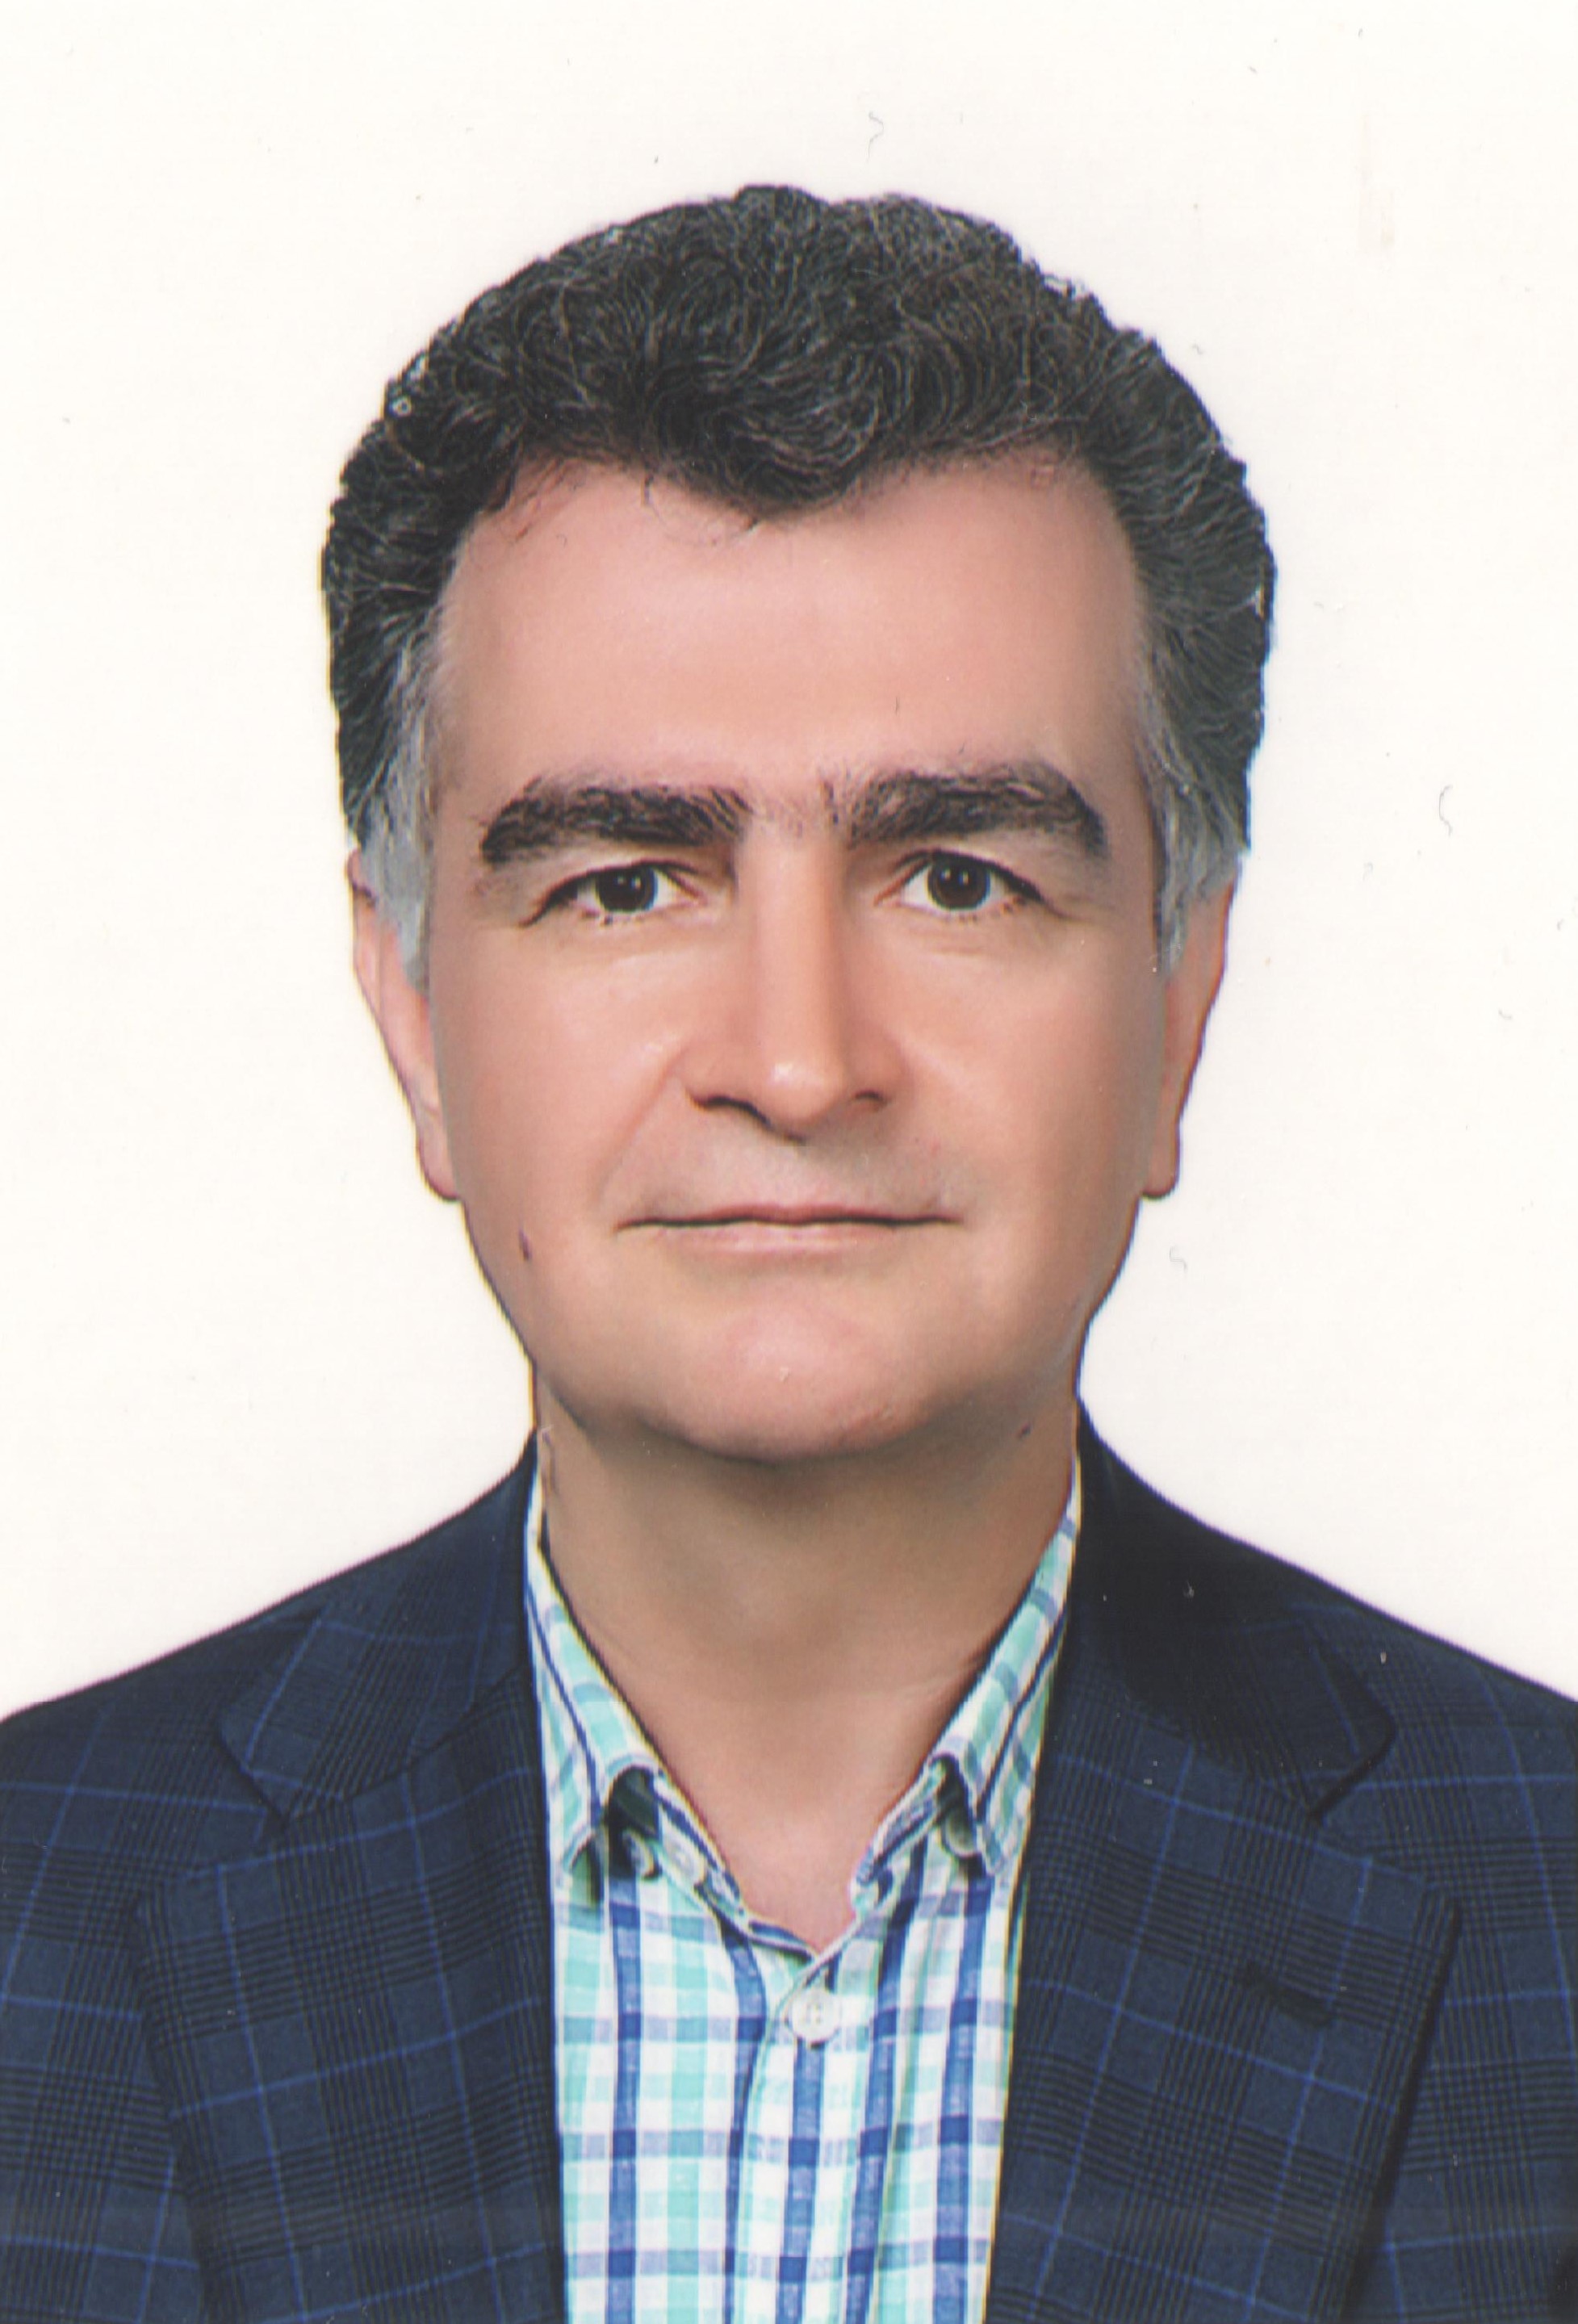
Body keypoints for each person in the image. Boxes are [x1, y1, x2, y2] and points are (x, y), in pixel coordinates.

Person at [0, 186, 1571, 2324]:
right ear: (413, 1011)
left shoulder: (1544, 1920)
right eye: (626, 885)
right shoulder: (35, 1926)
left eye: (957, 878)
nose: (800, 1061)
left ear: (1181, 997)